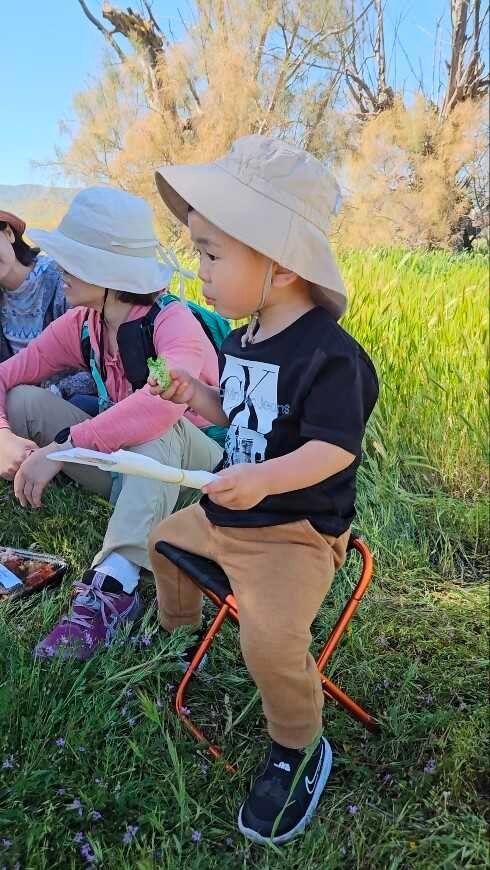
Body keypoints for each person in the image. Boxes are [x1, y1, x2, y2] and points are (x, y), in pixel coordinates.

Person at [148, 136, 379, 844]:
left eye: (212, 254)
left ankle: (298, 745)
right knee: (161, 540)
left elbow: (332, 449)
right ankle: (181, 632)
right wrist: (197, 397)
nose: (200, 271)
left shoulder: (330, 356)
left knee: (271, 637)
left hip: (293, 531)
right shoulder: (241, 340)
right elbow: (240, 416)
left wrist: (264, 480)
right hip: (228, 512)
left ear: (279, 264)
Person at [0, 186, 223, 659]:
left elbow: (161, 406)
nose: (59, 268)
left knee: (159, 421)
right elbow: (5, 378)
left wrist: (60, 448)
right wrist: (2, 436)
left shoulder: (172, 322)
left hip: (192, 477)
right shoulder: (85, 323)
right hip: (127, 468)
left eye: (73, 259)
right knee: (22, 400)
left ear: (108, 272)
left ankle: (114, 586)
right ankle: (98, 502)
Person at [0, 209, 95, 404]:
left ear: (8, 233)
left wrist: (55, 391)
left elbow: (103, 365)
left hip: (76, 404)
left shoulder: (65, 281)